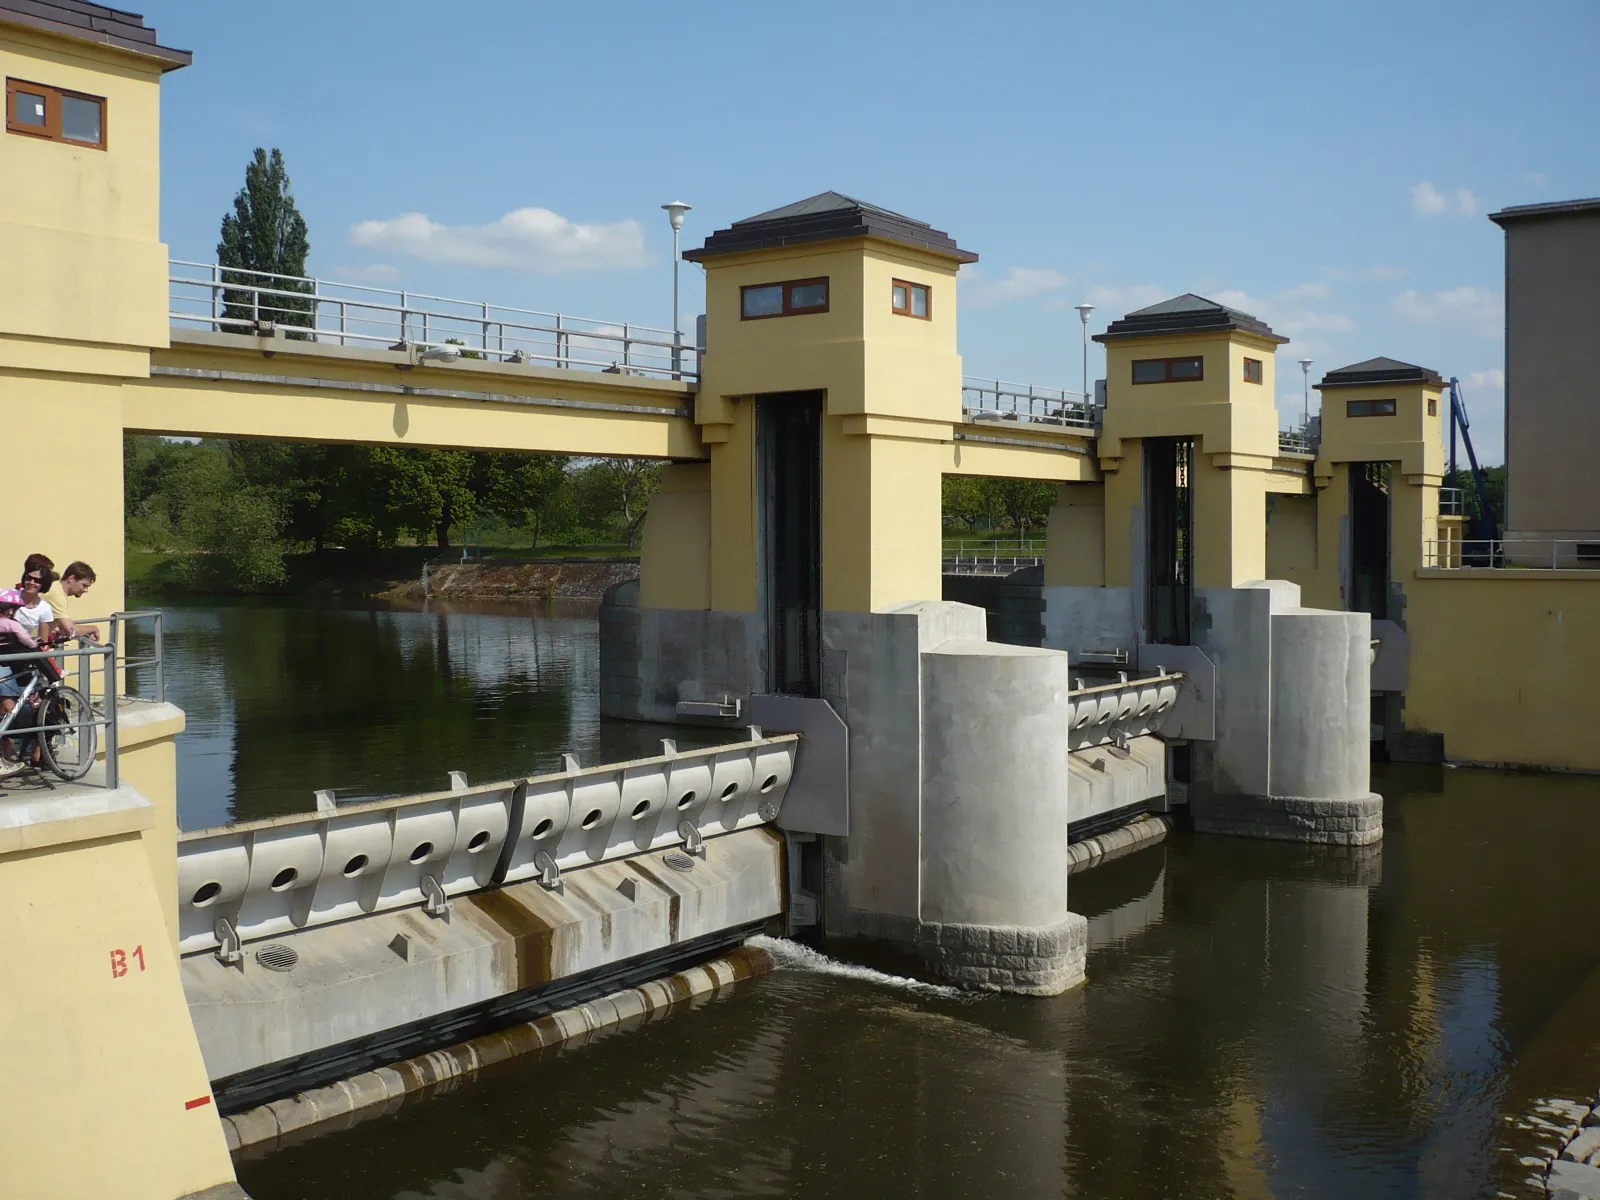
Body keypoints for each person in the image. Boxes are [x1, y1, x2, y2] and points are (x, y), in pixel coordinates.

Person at [0, 587, 40, 777]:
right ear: (9, 610)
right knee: (11, 706)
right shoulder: (10, 624)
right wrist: (35, 645)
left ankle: (7, 752)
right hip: (3, 667)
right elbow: (25, 639)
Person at [45, 561, 99, 644]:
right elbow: (70, 631)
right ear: (71, 579)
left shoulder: (56, 587)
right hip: (27, 646)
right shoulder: (57, 594)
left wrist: (85, 631)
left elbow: (62, 629)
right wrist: (94, 628)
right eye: (84, 585)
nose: (86, 590)